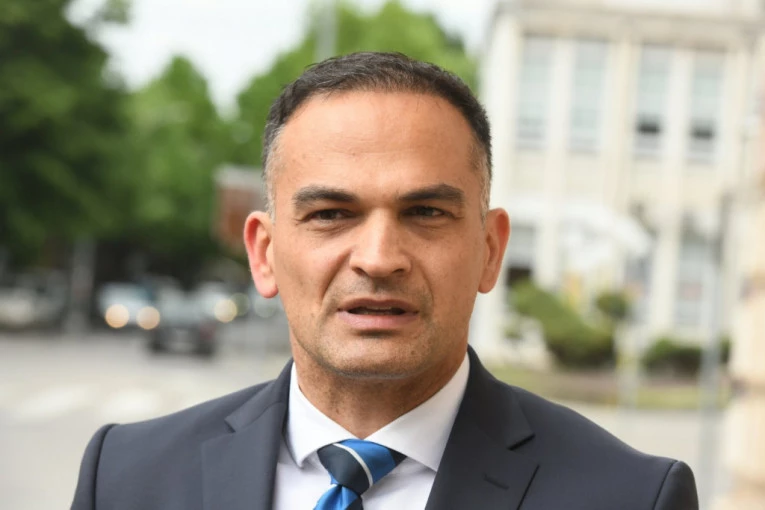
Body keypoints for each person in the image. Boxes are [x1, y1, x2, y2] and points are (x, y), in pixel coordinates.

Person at [71, 51, 698, 510]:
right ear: (264, 254)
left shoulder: (630, 497)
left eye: (425, 212)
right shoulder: (127, 478)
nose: (378, 258)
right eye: (330, 214)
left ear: (490, 250)